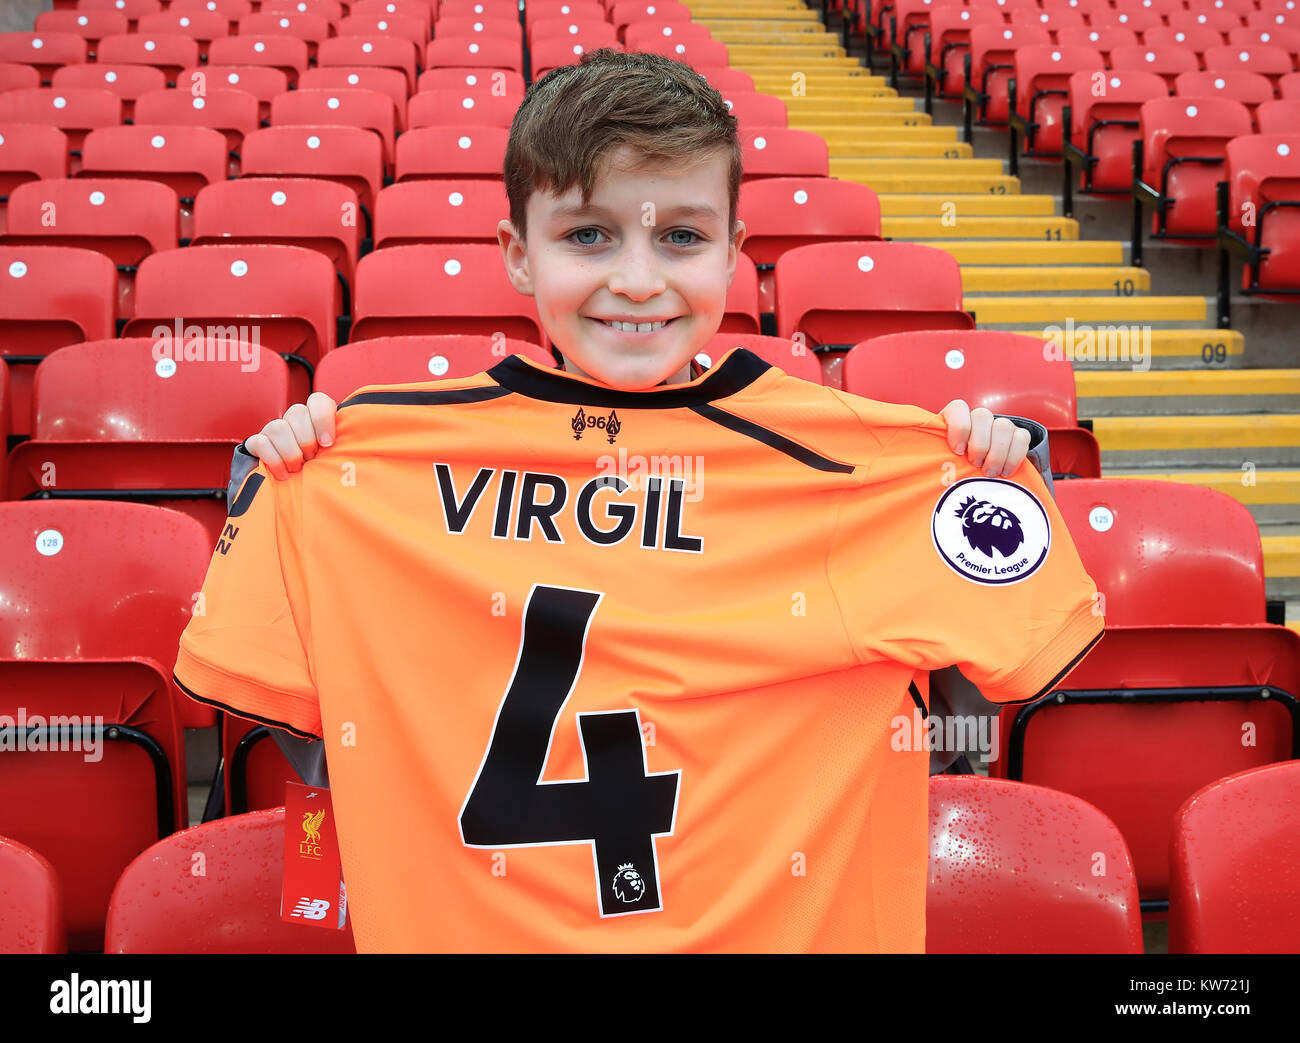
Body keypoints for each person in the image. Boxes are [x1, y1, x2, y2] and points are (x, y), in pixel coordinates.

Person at [174, 49, 1102, 953]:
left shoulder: (859, 471)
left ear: (736, 255)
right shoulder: (356, 471)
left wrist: (986, 477)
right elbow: (333, 757)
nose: (638, 280)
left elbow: (970, 717)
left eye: (681, 237)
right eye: (588, 235)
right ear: (517, 255)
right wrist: (292, 486)